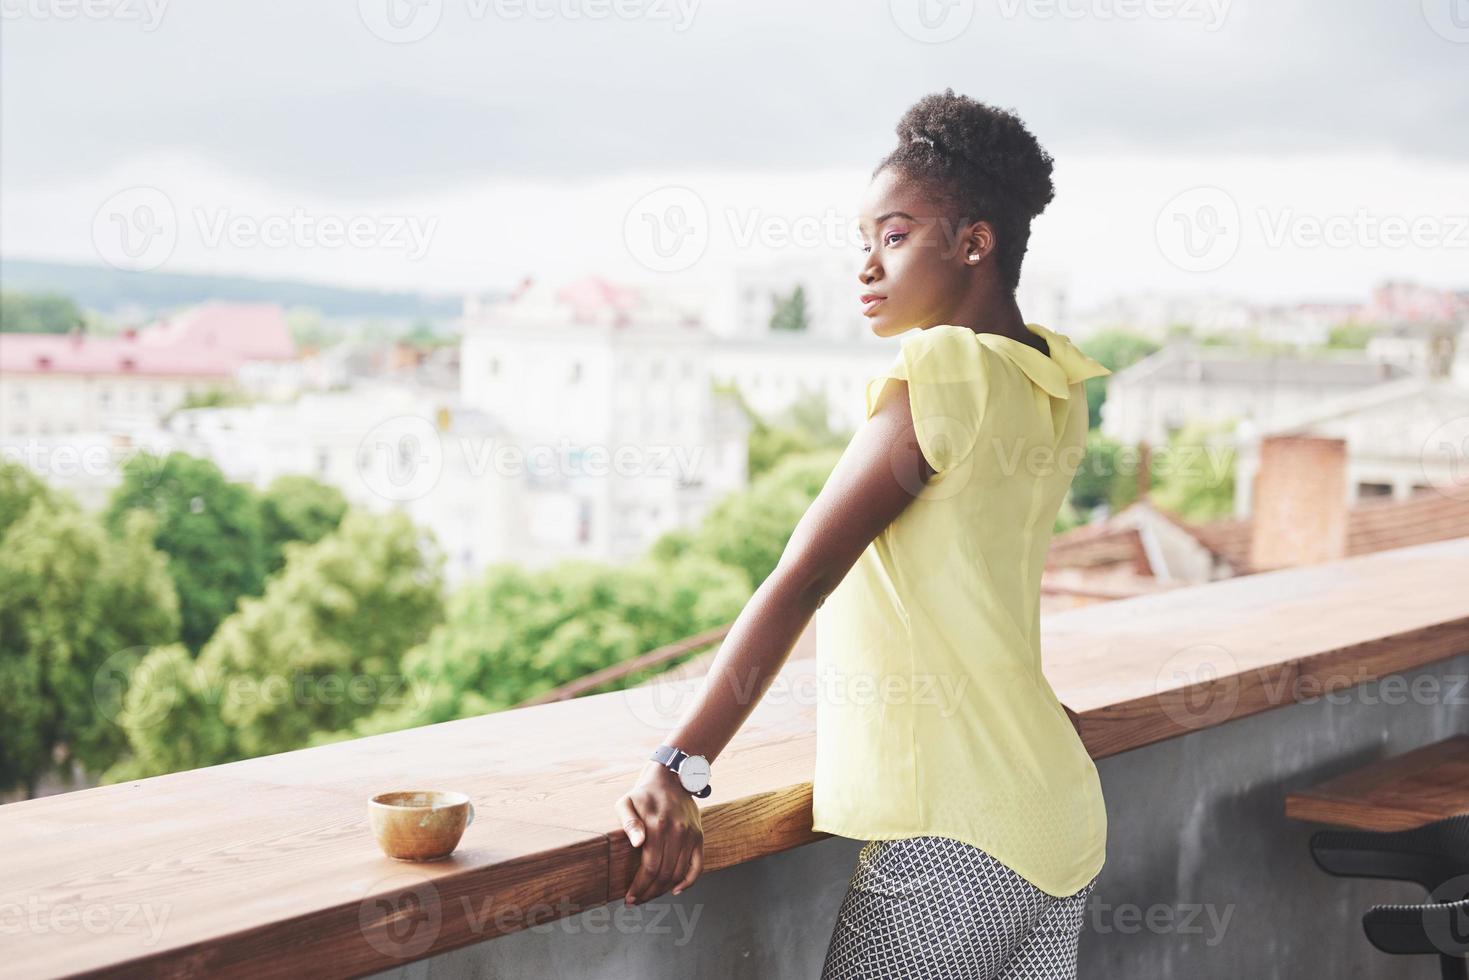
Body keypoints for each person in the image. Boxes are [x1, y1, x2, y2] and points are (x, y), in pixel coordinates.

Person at [614, 88, 1110, 979]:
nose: (867, 269)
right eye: (863, 243)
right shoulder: (1054, 380)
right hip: (1054, 813)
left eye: (892, 235)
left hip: (956, 837)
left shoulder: (945, 369)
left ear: (973, 241)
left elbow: (803, 575)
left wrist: (678, 764)